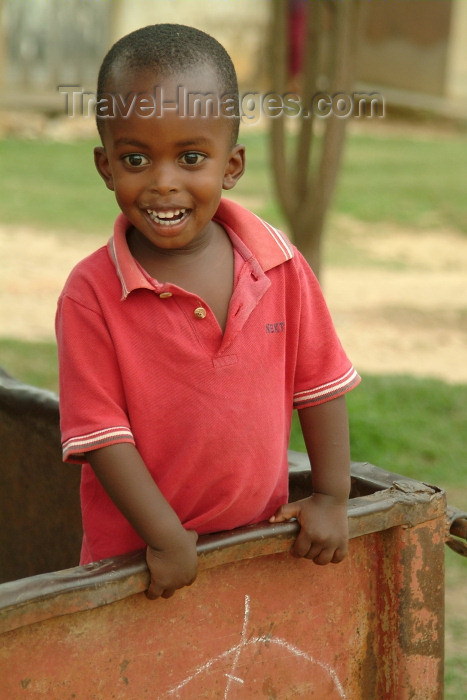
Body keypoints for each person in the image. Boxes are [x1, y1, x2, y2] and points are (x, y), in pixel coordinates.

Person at [56, 24, 360, 600]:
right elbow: (101, 437)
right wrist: (167, 539)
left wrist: (331, 496)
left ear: (233, 164)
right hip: (139, 568)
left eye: (191, 157)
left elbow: (320, 383)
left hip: (257, 550)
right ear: (105, 167)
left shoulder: (277, 264)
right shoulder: (92, 292)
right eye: (136, 158)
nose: (164, 183)